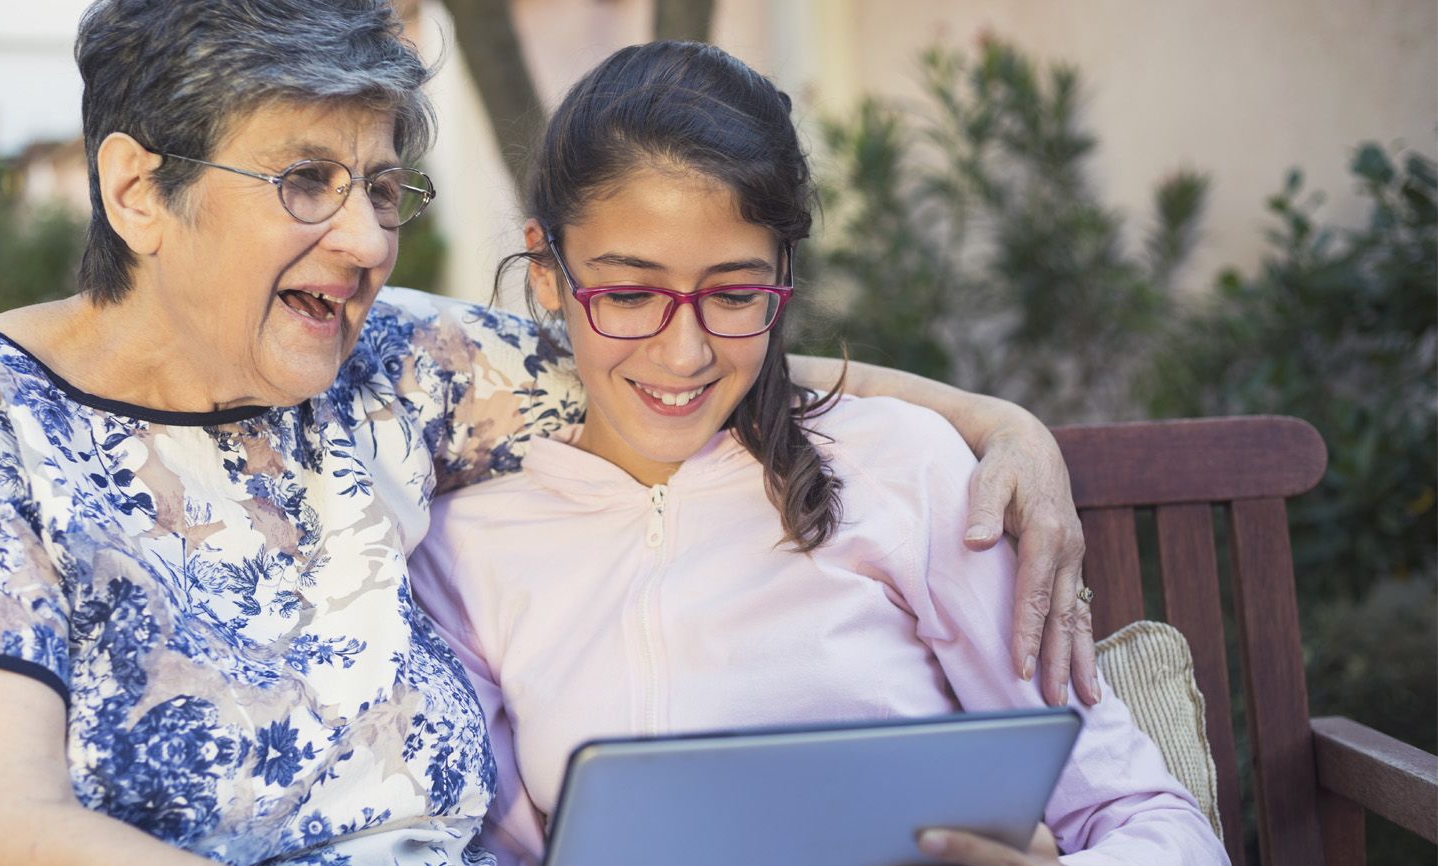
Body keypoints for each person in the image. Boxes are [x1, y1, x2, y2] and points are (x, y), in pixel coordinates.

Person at [0, 3, 1088, 865]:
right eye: (307, 179)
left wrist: (996, 421)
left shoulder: (391, 367)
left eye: (380, 187)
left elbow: (681, 340)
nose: (367, 240)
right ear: (138, 191)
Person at [410, 40, 1229, 865]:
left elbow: (1158, 825)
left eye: (735, 294)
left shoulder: (906, 470)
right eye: (628, 294)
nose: (684, 353)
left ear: (784, 276)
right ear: (549, 273)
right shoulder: (468, 555)